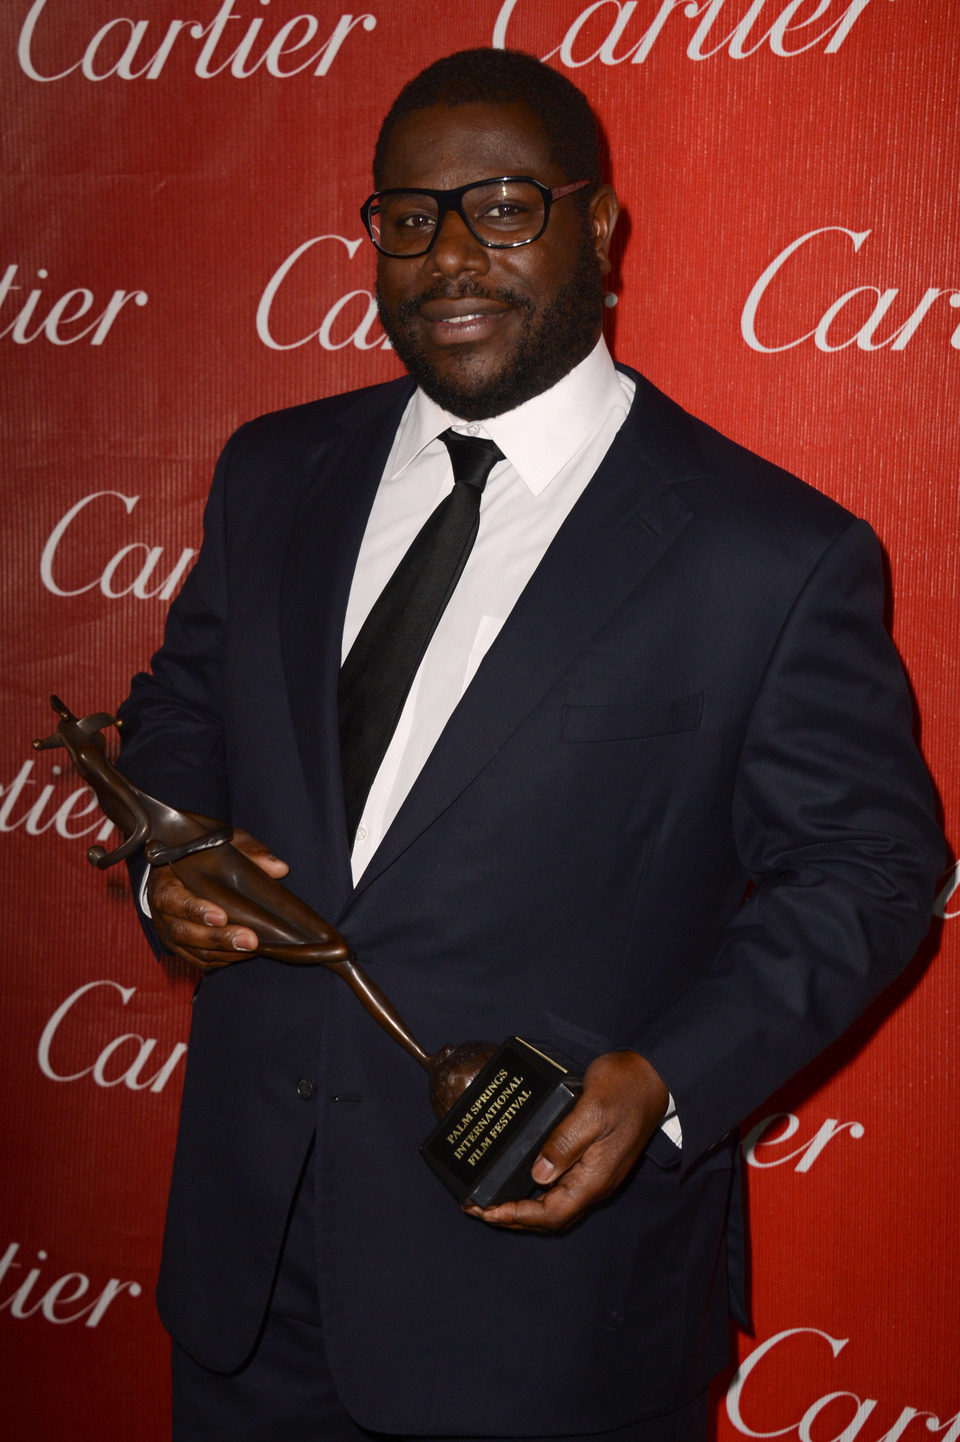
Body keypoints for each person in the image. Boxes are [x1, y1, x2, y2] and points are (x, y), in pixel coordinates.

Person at [117, 47, 943, 1442]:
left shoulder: (770, 555)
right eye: (408, 216)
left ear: (601, 226)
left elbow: (867, 868)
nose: (449, 255)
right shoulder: (272, 471)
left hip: (548, 1314)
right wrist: (173, 865)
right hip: (245, 1288)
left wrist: (668, 1078)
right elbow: (179, 719)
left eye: (502, 206)